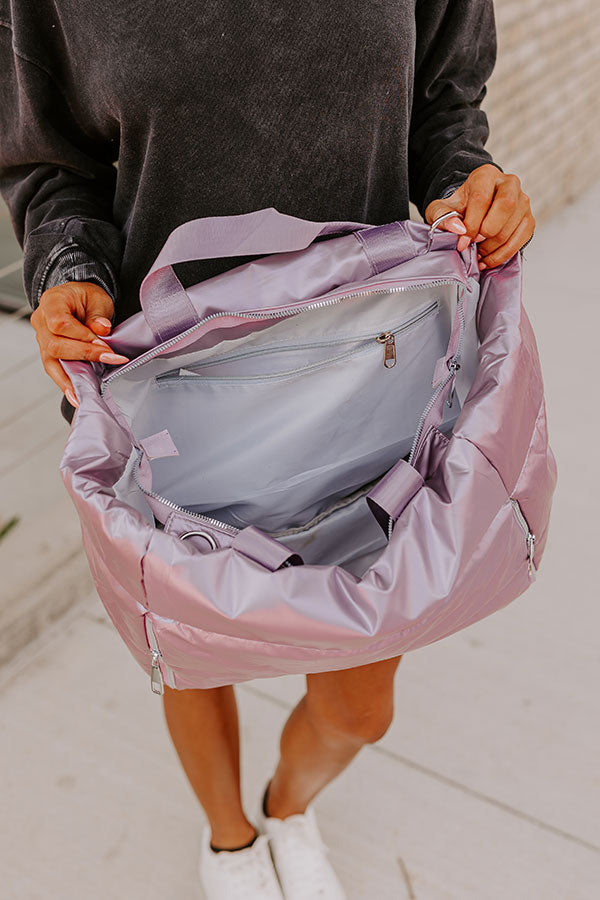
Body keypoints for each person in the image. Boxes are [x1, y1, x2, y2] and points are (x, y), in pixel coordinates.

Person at [0, 3, 535, 897]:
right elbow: (51, 161)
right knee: (195, 656)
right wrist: (68, 272)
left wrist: (467, 179)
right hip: (167, 392)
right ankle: (231, 841)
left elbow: (443, 100)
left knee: (359, 707)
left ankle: (289, 808)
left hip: (367, 379)